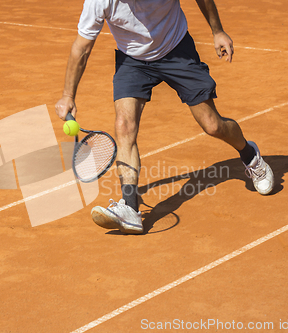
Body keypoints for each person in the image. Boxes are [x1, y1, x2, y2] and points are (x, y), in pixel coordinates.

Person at [55, 0, 274, 234]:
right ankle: (130, 207)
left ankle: (250, 155)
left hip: (176, 50)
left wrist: (217, 30)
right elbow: (82, 48)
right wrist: (68, 95)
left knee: (212, 125)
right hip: (132, 60)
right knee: (124, 125)